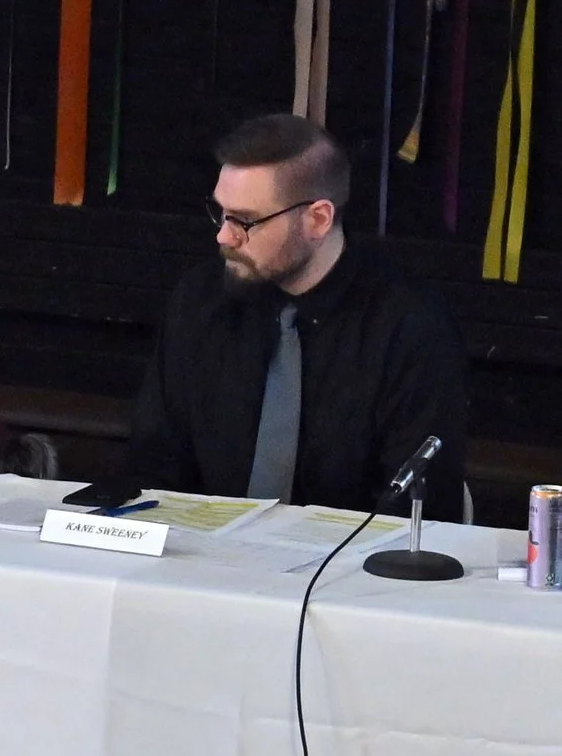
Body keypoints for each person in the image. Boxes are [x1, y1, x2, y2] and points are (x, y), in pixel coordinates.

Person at [126, 114, 468, 517]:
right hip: (201, 560)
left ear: (318, 219)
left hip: (348, 567)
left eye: (246, 220)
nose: (224, 236)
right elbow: (156, 462)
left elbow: (413, 501)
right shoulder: (201, 302)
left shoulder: (408, 325)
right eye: (220, 212)